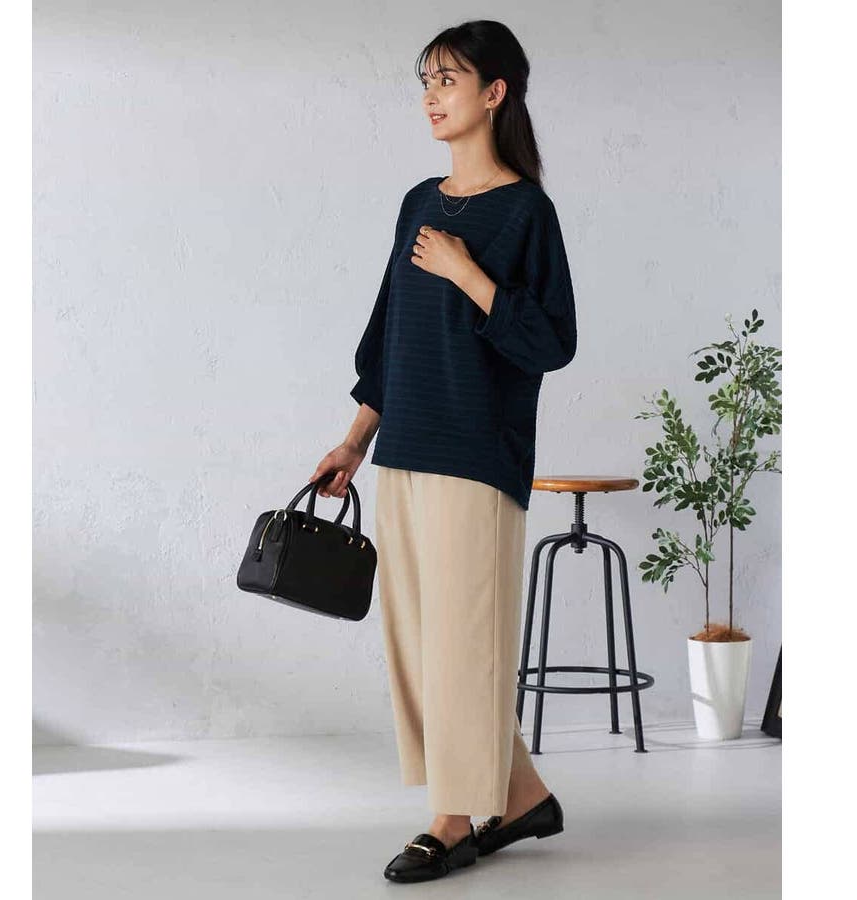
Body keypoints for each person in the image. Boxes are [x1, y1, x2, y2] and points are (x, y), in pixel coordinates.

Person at [309, 20, 577, 883]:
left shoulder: (526, 211)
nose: (431, 95)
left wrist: (469, 274)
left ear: (495, 93)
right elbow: (389, 334)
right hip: (405, 449)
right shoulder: (418, 202)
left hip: (478, 453)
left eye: (448, 80)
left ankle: (452, 821)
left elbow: (551, 342)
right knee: (425, 646)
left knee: (464, 642)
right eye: (425, 80)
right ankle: (523, 797)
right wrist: (355, 439)